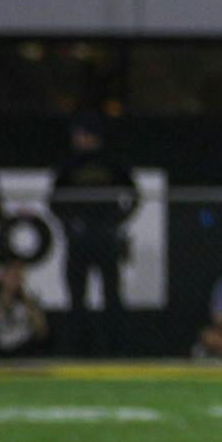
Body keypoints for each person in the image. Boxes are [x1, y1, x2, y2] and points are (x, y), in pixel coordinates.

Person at [51, 113, 139, 342]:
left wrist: (116, 221)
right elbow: (53, 200)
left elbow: (133, 194)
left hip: (105, 237)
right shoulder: (69, 162)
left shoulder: (111, 161)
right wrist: (71, 223)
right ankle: (78, 346)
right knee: (77, 296)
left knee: (112, 295)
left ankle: (116, 348)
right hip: (79, 238)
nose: (77, 139)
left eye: (80, 135)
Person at [0, 257, 48, 357]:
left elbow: (42, 331)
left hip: (23, 349)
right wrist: (2, 308)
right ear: (2, 276)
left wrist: (27, 302)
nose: (15, 280)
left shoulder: (29, 298)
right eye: (11, 276)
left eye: (18, 276)